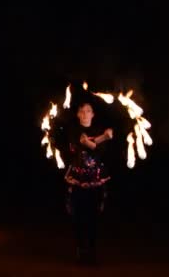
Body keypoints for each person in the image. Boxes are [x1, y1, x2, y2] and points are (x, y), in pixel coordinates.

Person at [63, 102, 113, 266]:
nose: (85, 113)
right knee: (77, 216)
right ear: (78, 114)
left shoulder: (98, 128)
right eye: (82, 111)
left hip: (96, 180)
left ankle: (91, 251)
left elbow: (98, 150)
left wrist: (97, 141)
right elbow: (84, 144)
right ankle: (80, 249)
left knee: (93, 216)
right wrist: (104, 137)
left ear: (93, 114)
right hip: (77, 179)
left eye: (88, 111)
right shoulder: (74, 130)